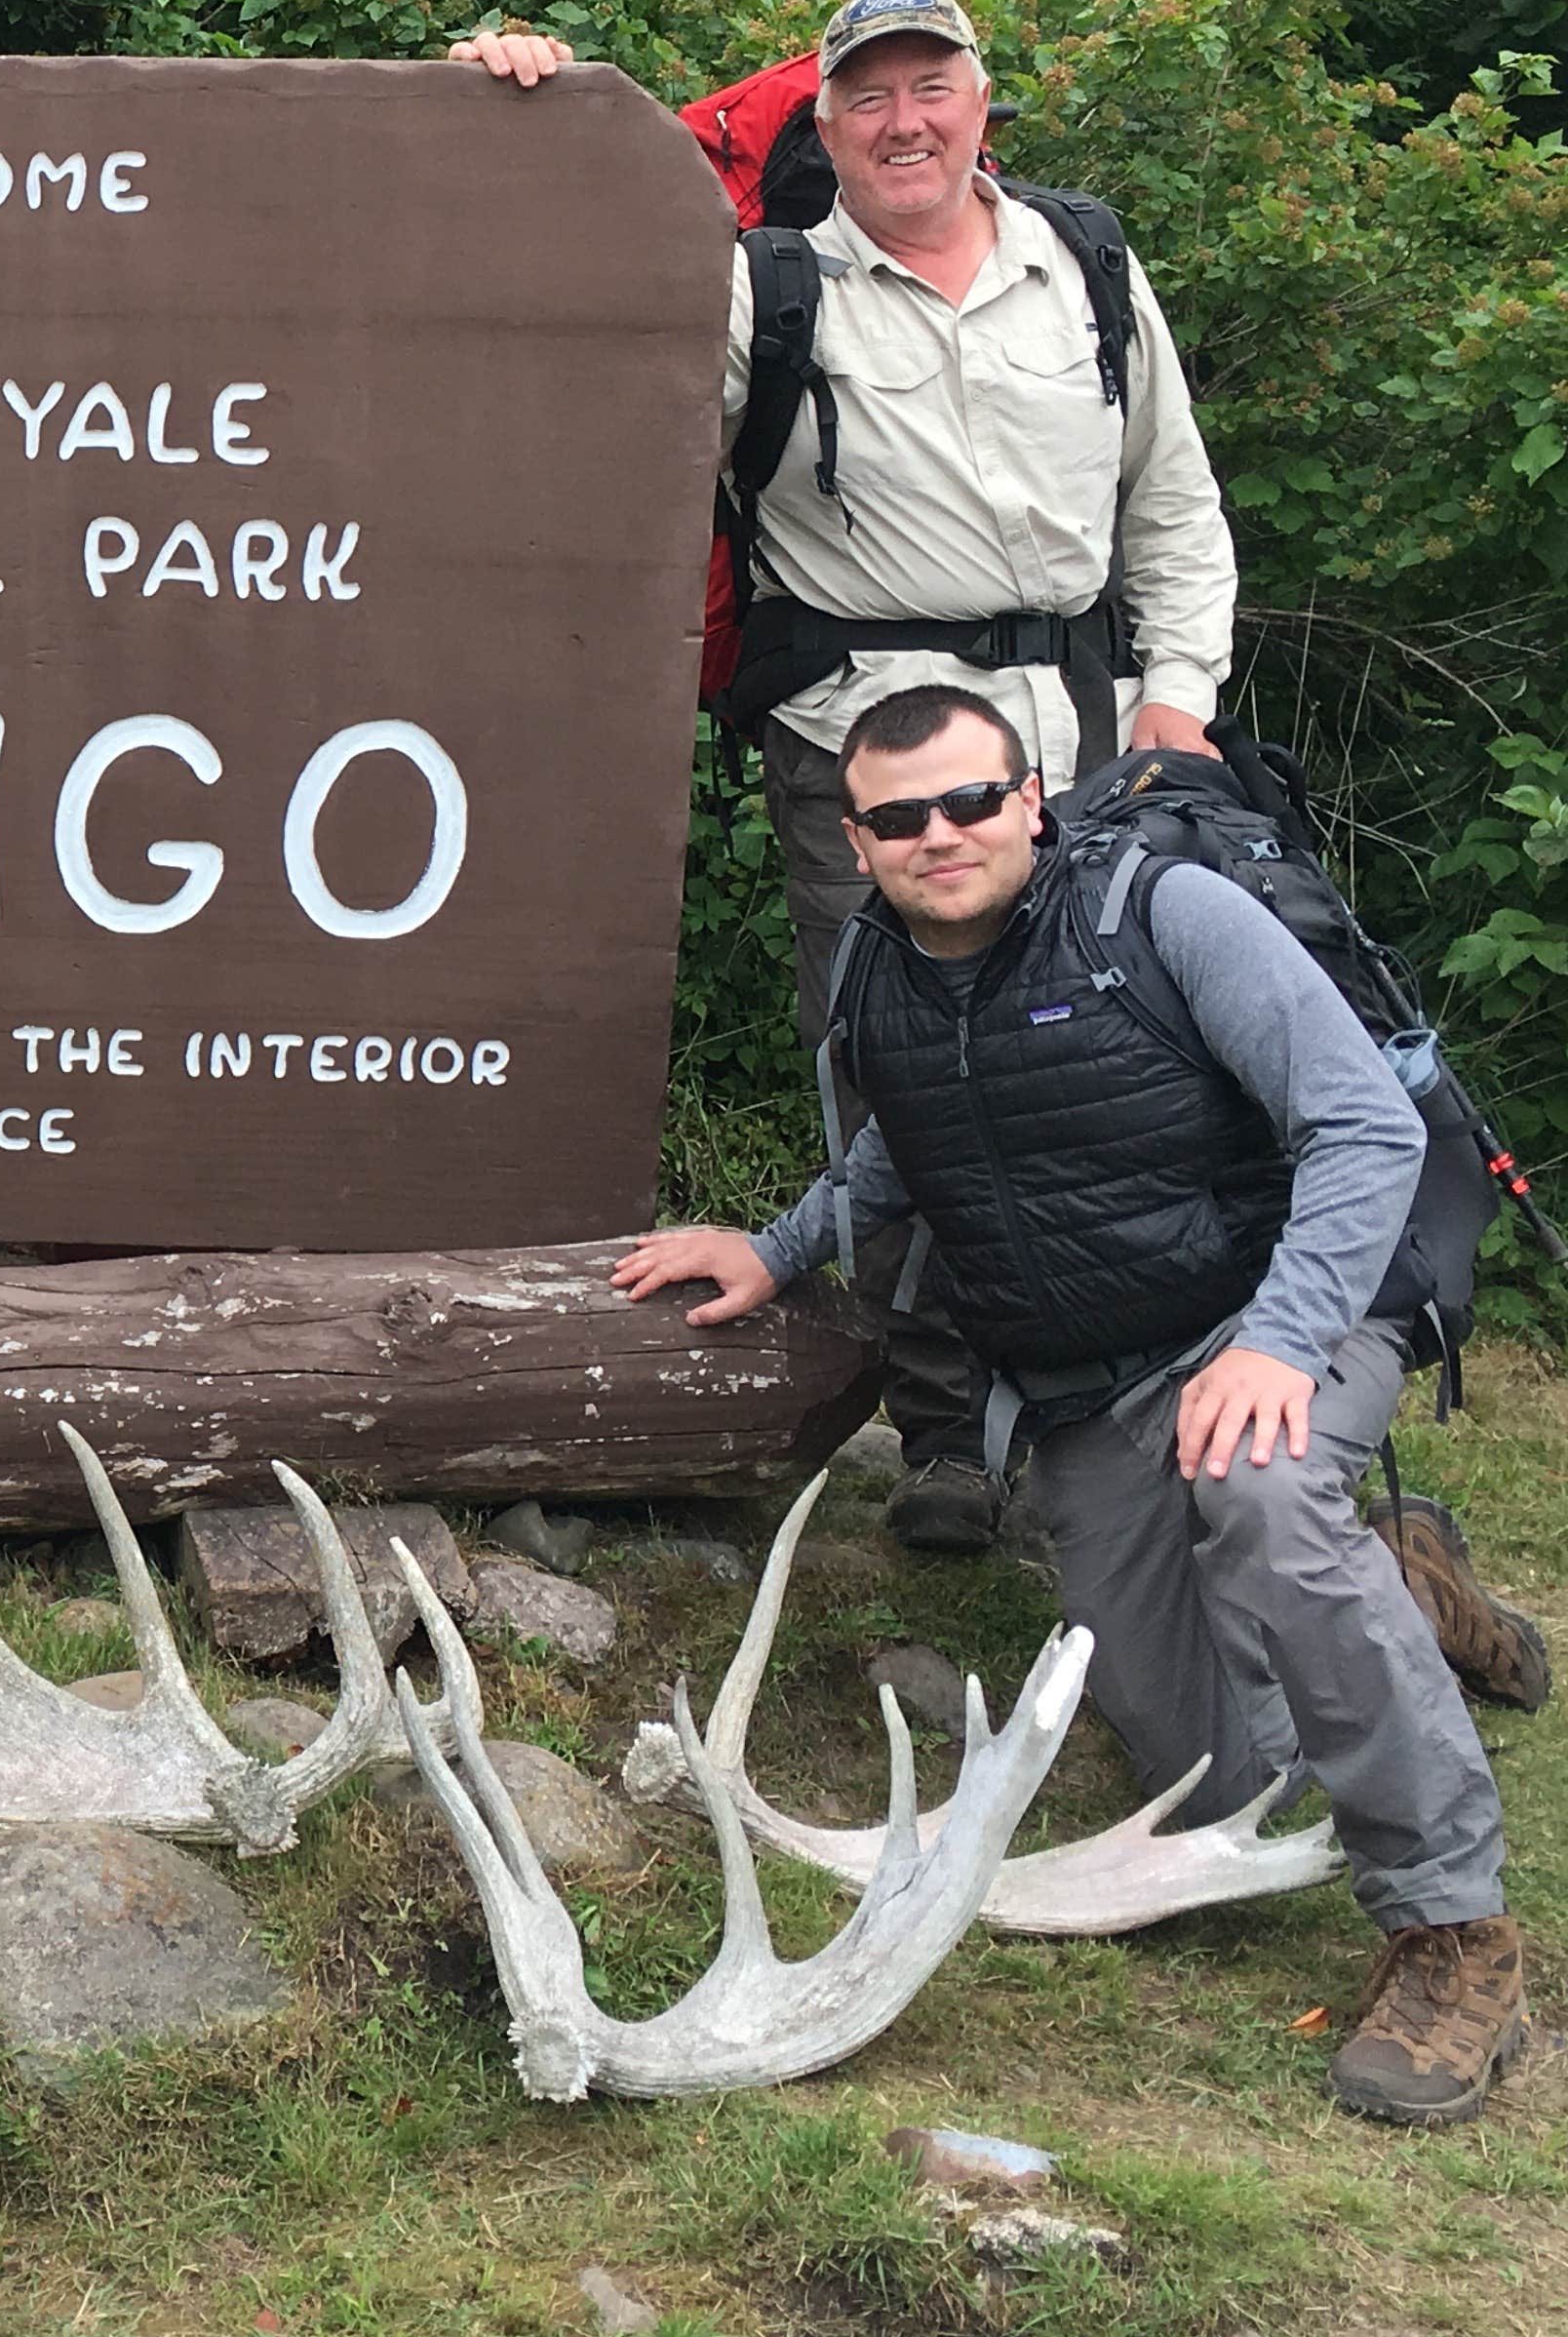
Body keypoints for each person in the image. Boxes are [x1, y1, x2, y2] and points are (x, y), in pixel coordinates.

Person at [613, 683, 1523, 2130]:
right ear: (859, 840)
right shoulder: (879, 973)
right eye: (901, 817)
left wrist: (1281, 1345)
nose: (942, 834)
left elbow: (1363, 1124)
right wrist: (774, 1248)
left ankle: (1451, 1931)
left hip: (1288, 1316)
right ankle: (1397, 1584)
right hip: (1095, 1390)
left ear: (1029, 798)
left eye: (973, 800)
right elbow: (894, 1160)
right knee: (1225, 1781)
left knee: (1267, 1504)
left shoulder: (1162, 918)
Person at [459, 0, 1241, 1558]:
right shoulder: (772, 292)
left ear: (980, 102)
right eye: (868, 97)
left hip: (1079, 746)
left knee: (1128, 1066)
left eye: (931, 87)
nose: (905, 121)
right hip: (863, 750)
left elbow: (1174, 506)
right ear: (823, 130)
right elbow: (586, 369)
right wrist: (509, 116)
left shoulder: (1082, 267)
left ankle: (1155, 1392)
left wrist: (1181, 701)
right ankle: (946, 1427)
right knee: (897, 1065)